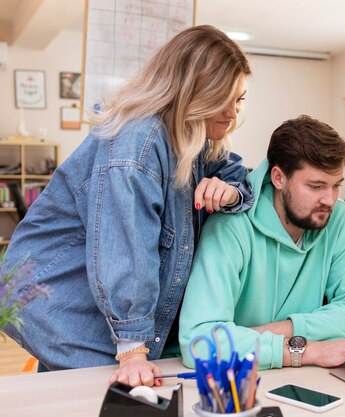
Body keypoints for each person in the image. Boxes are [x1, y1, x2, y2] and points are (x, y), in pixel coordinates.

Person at [2, 25, 253, 387]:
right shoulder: (139, 140)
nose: (233, 112)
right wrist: (133, 346)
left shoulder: (193, 137)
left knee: (80, 397)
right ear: (192, 91)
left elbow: (235, 171)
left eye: (240, 99)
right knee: (105, 395)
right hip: (57, 295)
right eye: (223, 98)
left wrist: (229, 190)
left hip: (93, 302)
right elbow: (126, 246)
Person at [179, 115, 345, 370]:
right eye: (316, 186)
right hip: (234, 381)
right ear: (279, 178)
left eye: (336, 186)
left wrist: (275, 332)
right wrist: (306, 350)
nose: (330, 199)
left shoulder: (339, 218)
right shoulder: (229, 227)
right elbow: (200, 342)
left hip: (297, 375)